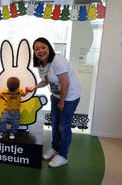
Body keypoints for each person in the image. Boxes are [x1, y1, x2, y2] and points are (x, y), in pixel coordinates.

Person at [26, 37, 81, 167]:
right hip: (56, 95)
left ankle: (63, 155)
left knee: (64, 127)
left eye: (43, 47)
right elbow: (46, 81)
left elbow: (65, 83)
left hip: (69, 97)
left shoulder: (58, 61)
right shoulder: (41, 63)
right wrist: (34, 87)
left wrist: (62, 101)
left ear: (49, 47)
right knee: (55, 124)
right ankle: (55, 148)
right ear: (34, 52)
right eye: (37, 49)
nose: (41, 51)